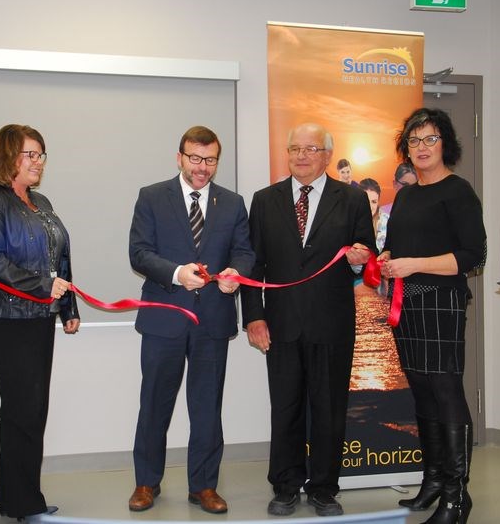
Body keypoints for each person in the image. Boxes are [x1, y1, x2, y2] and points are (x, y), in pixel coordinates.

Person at [240, 122, 375, 517]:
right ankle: (284, 485)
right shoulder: (265, 200)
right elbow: (253, 265)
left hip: (332, 324)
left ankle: (324, 488)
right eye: (294, 148)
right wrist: (254, 317)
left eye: (310, 149)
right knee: (285, 407)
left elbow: (367, 248)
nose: (300, 155)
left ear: (327, 155)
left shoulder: (350, 199)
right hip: (280, 324)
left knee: (330, 409)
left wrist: (361, 256)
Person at [127, 125, 255, 514]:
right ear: (179, 157)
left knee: (207, 406)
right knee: (154, 405)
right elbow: (139, 253)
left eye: (210, 159)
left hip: (212, 322)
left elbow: (245, 252)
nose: (202, 167)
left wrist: (235, 271)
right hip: (164, 318)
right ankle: (146, 482)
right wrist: (177, 272)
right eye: (195, 158)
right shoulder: (151, 197)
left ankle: (203, 486)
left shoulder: (232, 203)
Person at [0, 124, 80, 522]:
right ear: (6, 157)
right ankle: (21, 502)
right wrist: (43, 285)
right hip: (7, 318)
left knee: (33, 409)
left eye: (41, 155)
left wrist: (68, 309)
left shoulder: (40, 201)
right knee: (21, 408)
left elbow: (59, 257)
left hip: (39, 318)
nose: (38, 163)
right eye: (29, 154)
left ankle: (19, 495)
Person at [378, 108, 485, 524]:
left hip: (442, 304)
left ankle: (458, 496)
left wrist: (413, 264)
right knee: (421, 394)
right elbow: (402, 249)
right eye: (414, 140)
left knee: (446, 393)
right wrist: (389, 259)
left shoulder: (458, 191)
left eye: (430, 139)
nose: (421, 148)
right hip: (407, 306)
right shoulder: (406, 195)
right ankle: (434, 480)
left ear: (446, 145)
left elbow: (474, 256)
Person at [358, 178, 389, 253]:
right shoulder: (348, 218)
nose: (370, 206)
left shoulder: (386, 221)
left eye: (374, 202)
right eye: (366, 201)